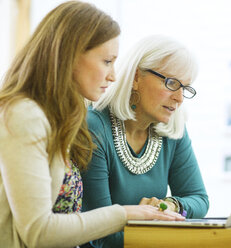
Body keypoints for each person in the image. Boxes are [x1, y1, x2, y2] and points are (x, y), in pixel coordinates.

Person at [0, 2, 183, 248]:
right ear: (70, 56)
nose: (114, 75)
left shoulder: (59, 117)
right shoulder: (24, 115)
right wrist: (125, 214)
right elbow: (38, 232)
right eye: (107, 61)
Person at [82, 34, 209, 247]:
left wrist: (170, 206)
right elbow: (100, 235)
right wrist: (165, 232)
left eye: (185, 88)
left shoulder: (173, 129)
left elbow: (198, 198)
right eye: (171, 83)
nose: (179, 98)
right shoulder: (94, 127)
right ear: (136, 77)